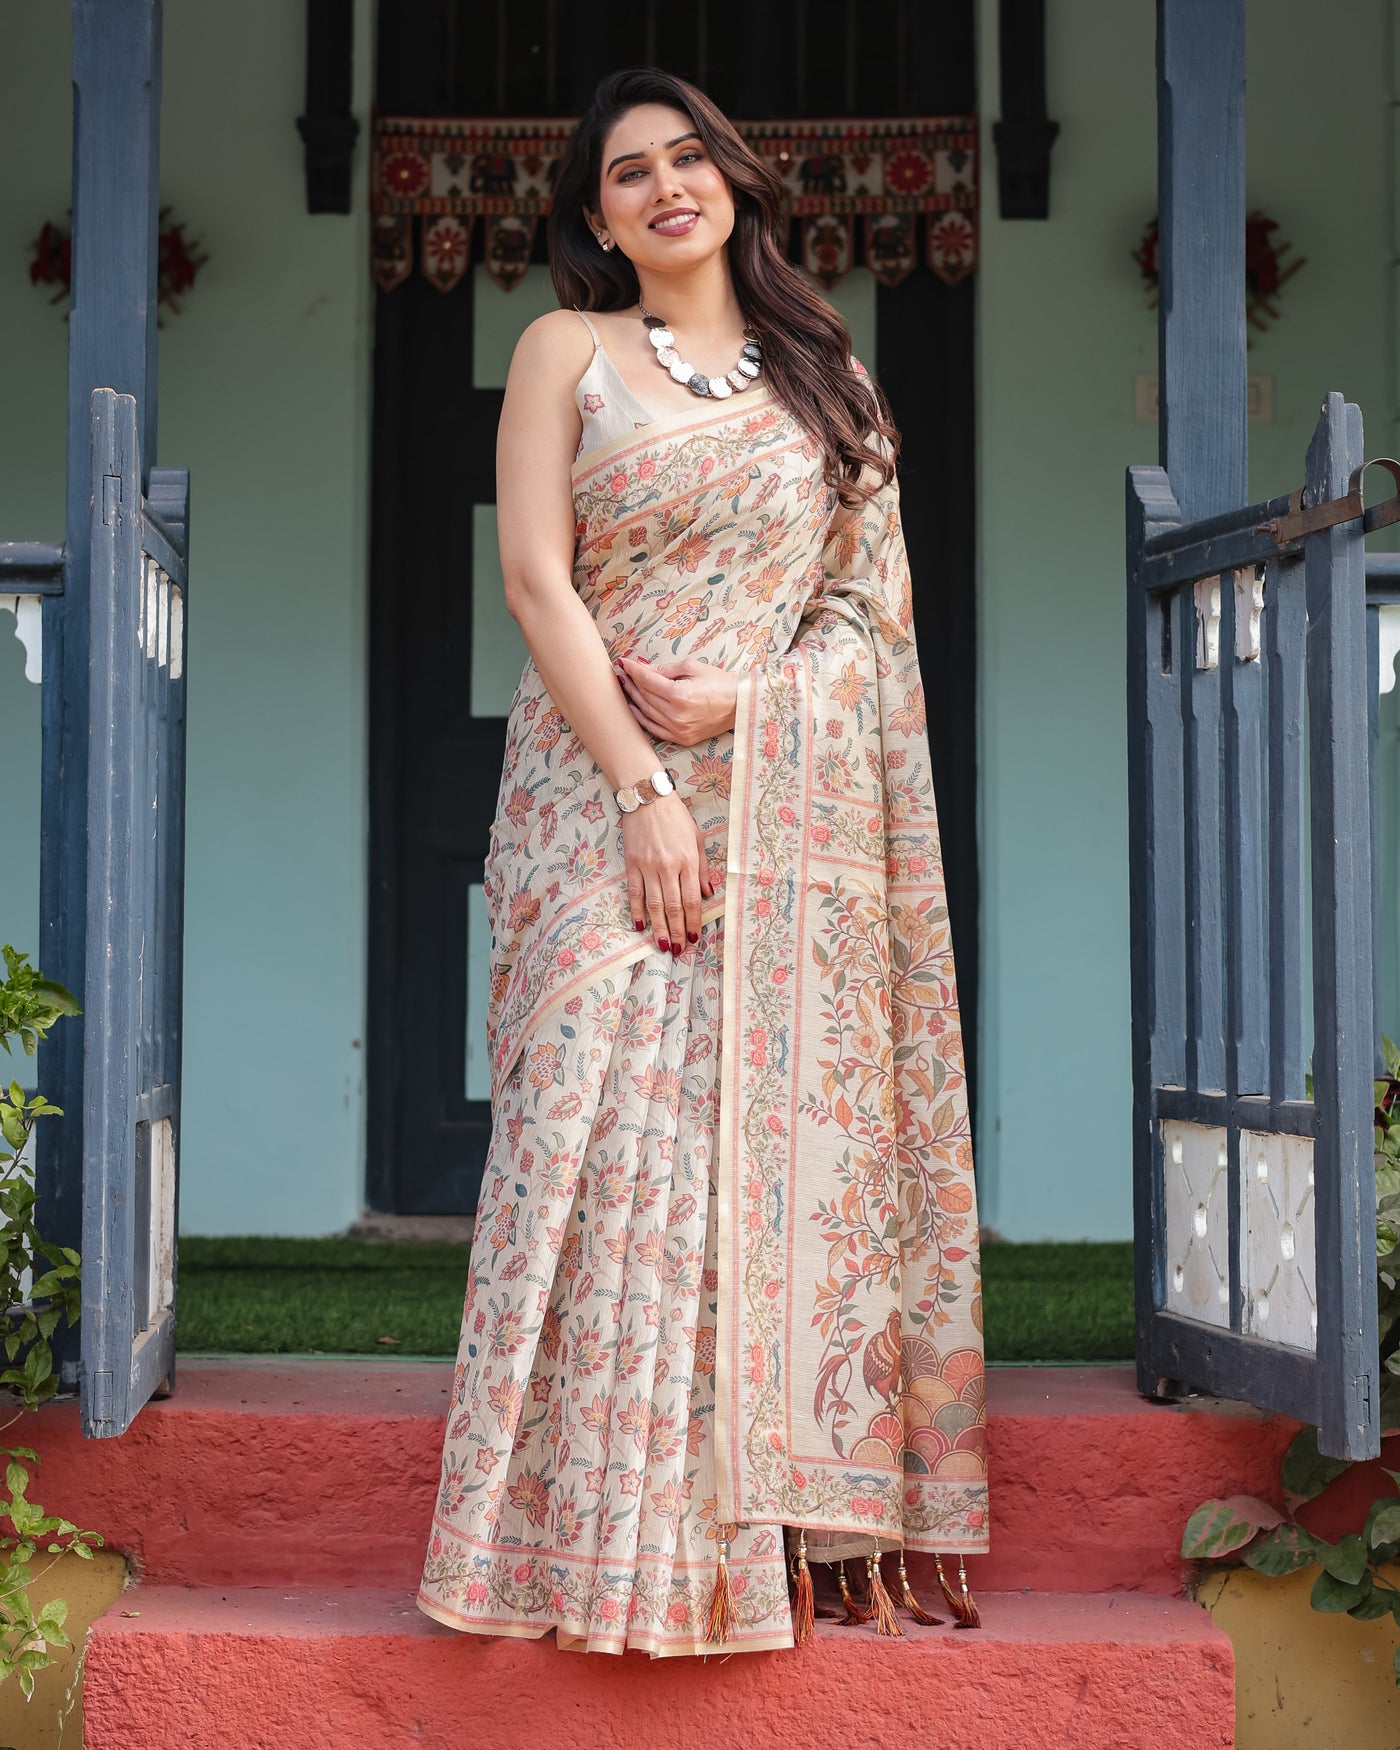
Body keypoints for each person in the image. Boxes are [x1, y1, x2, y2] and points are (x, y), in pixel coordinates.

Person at [416, 66, 989, 1658]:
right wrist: (643, 788)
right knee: (594, 1130)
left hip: (785, 811)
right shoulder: (565, 352)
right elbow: (537, 582)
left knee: (741, 1155)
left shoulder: (836, 384)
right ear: (592, 216)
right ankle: (573, 1550)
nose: (666, 188)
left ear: (735, 179)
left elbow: (873, 624)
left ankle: (735, 1551)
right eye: (627, 173)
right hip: (595, 799)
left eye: (689, 159)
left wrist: (753, 700)